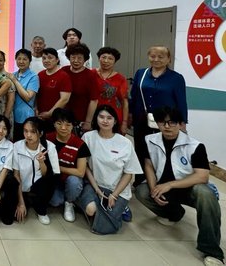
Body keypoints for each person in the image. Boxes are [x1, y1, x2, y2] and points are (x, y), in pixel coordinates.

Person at [135, 107, 223, 266]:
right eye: (162, 122)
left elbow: (202, 176)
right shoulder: (150, 140)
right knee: (142, 191)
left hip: (190, 189)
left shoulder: (195, 146)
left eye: (172, 122)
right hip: (165, 188)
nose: (167, 126)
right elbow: (148, 165)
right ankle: (174, 214)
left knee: (206, 194)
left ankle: (212, 250)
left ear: (181, 124)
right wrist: (154, 188)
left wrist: (169, 184)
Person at [77, 105, 142, 235]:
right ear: (96, 118)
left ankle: (118, 208)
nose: (105, 121)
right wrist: (96, 189)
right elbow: (86, 167)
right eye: (101, 117)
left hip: (117, 190)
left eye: (109, 118)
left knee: (104, 229)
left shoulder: (125, 143)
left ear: (115, 121)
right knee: (90, 209)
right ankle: (99, 209)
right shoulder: (88, 137)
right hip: (95, 186)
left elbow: (129, 173)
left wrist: (114, 195)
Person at [130, 46, 188, 185]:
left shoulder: (176, 78)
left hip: (166, 122)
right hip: (142, 120)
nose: (156, 59)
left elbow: (181, 101)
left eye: (161, 57)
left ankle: (163, 182)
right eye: (153, 56)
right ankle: (140, 181)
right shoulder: (141, 73)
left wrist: (182, 123)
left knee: (163, 151)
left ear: (168, 59)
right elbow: (134, 96)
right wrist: (130, 116)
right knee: (141, 149)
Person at [13, 117, 60, 225]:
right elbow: (16, 175)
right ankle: (25, 200)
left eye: (33, 132)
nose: (28, 135)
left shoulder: (49, 147)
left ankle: (41, 210)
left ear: (41, 133)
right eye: (26, 131)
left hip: (39, 187)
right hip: (21, 188)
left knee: (49, 181)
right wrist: (21, 203)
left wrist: (42, 162)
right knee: (13, 217)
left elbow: (50, 175)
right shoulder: (17, 146)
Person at [47, 108, 90, 223]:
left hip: (71, 179)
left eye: (68, 125)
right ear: (54, 124)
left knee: (74, 181)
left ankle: (70, 202)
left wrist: (58, 168)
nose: (63, 128)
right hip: (54, 180)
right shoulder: (47, 139)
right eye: (59, 123)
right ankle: (65, 197)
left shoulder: (80, 144)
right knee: (55, 201)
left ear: (73, 125)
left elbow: (80, 172)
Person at [62, 43, 99, 132]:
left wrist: (88, 122)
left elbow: (94, 100)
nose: (76, 61)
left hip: (81, 119)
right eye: (73, 57)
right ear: (69, 57)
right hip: (63, 117)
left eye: (79, 58)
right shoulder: (64, 71)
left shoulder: (90, 75)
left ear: (85, 59)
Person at [36, 47, 71, 133]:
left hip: (57, 119)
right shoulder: (40, 75)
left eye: (50, 58)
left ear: (57, 60)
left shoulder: (63, 76)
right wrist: (36, 110)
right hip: (40, 117)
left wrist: (50, 113)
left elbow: (64, 99)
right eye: (44, 58)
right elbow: (36, 95)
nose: (46, 60)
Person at [95, 47, 129, 134]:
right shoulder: (91, 74)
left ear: (115, 61)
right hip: (93, 115)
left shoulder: (121, 79)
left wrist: (124, 122)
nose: (106, 61)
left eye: (110, 58)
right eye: (103, 57)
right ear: (99, 58)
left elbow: (124, 102)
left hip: (114, 117)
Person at [8, 49, 39, 141]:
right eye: (19, 59)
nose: (21, 61)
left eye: (24, 59)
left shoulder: (33, 77)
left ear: (30, 61)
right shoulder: (13, 75)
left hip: (26, 116)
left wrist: (14, 81)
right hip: (12, 116)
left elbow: (28, 97)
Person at [0, 50, 15, 120]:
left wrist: (5, 117)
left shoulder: (8, 77)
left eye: (0, 60)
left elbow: (11, 99)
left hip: (4, 114)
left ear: (4, 61)